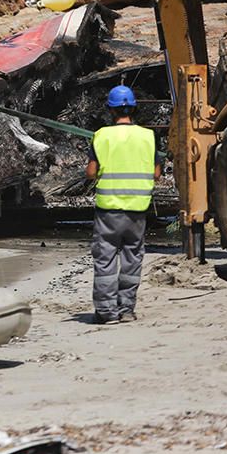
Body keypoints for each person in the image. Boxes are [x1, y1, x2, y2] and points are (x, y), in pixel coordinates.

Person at [85, 85, 162, 325]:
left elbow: (91, 172)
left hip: (109, 210)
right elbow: (157, 173)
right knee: (132, 259)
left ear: (110, 110)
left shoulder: (101, 136)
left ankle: (107, 313)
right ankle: (126, 310)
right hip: (137, 210)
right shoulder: (148, 137)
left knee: (105, 259)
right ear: (134, 108)